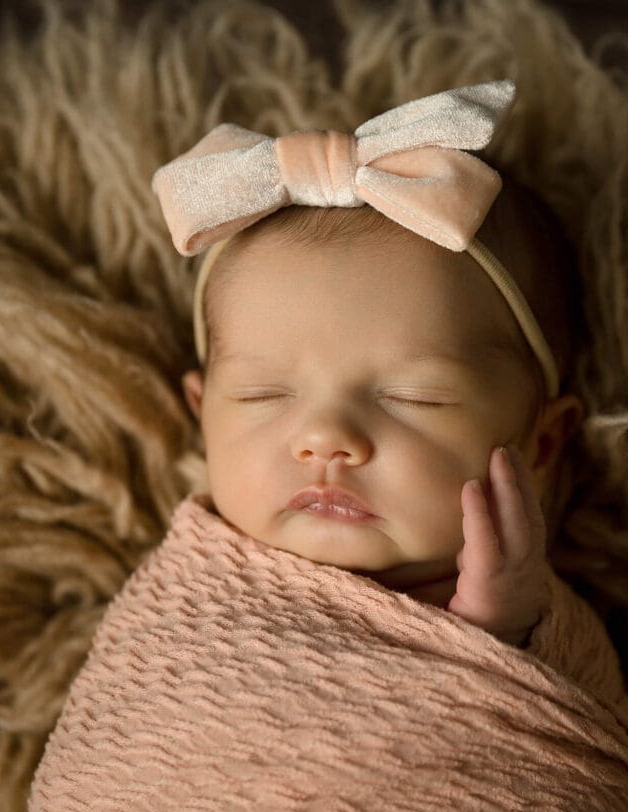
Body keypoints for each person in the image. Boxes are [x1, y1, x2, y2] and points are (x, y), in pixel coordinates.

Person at [161, 79, 588, 648]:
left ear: (542, 442)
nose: (324, 438)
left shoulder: (534, 613)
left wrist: (504, 630)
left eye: (413, 398)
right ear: (202, 414)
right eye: (260, 394)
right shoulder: (186, 590)